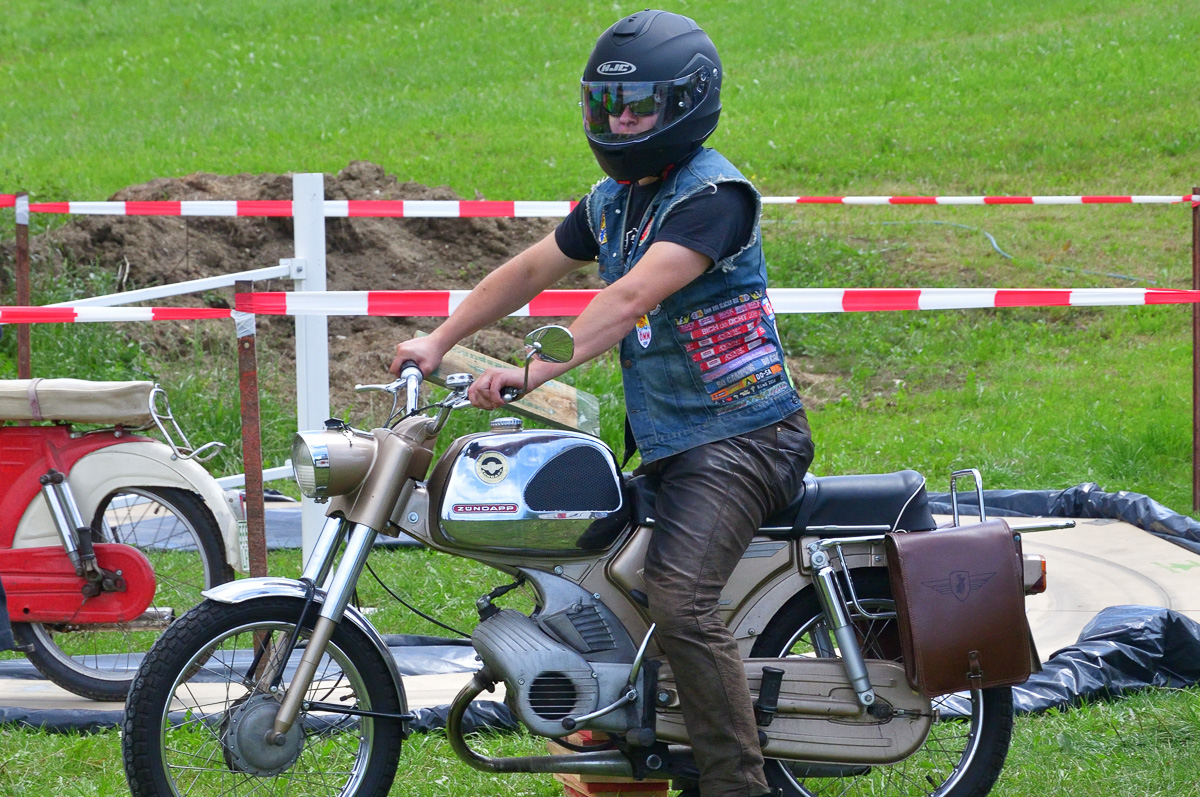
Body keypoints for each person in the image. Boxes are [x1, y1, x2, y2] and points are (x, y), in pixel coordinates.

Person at [391, 10, 814, 797]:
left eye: (638, 108)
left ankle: (736, 784)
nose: (619, 122)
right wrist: (439, 338)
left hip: (745, 439)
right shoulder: (616, 199)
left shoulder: (715, 197)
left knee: (681, 599)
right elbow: (529, 270)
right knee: (606, 581)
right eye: (606, 106)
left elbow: (626, 300)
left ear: (686, 103)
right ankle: (636, 749)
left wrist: (527, 372)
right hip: (678, 442)